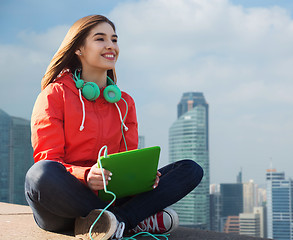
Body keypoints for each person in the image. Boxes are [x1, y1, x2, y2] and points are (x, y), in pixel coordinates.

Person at [25, 15, 203, 240]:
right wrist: (87, 176)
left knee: (191, 169)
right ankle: (129, 220)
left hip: (109, 195)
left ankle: (116, 222)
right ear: (78, 48)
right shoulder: (54, 94)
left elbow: (126, 161)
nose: (111, 45)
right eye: (100, 39)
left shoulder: (124, 102)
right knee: (39, 174)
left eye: (114, 39)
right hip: (65, 202)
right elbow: (48, 158)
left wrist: (143, 178)